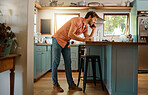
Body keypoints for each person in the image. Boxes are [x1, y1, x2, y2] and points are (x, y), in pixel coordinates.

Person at [52, 11, 99, 92]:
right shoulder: (77, 20)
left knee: (68, 62)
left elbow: (87, 39)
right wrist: (83, 39)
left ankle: (71, 85)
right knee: (56, 61)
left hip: (66, 41)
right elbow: (71, 34)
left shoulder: (85, 27)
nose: (94, 22)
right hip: (58, 39)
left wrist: (93, 30)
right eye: (94, 20)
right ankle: (55, 84)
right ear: (90, 17)